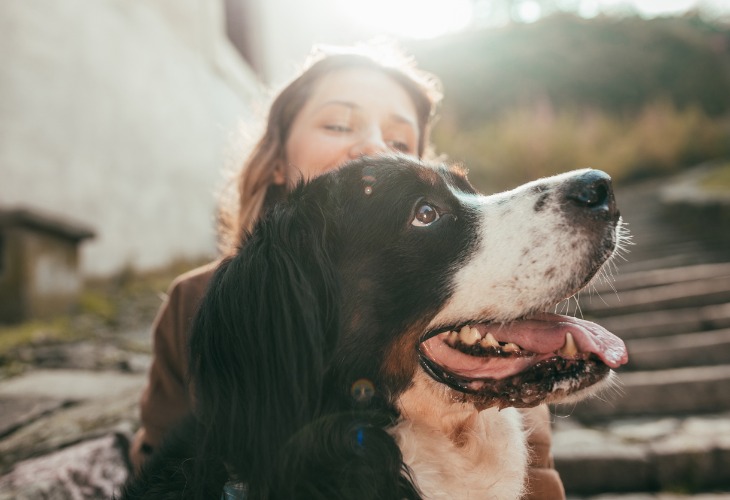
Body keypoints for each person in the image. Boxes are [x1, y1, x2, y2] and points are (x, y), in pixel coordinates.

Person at [129, 42, 566, 499]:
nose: (373, 145)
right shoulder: (195, 298)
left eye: (399, 142)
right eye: (338, 123)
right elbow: (162, 463)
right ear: (277, 157)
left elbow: (536, 481)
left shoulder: (468, 306)